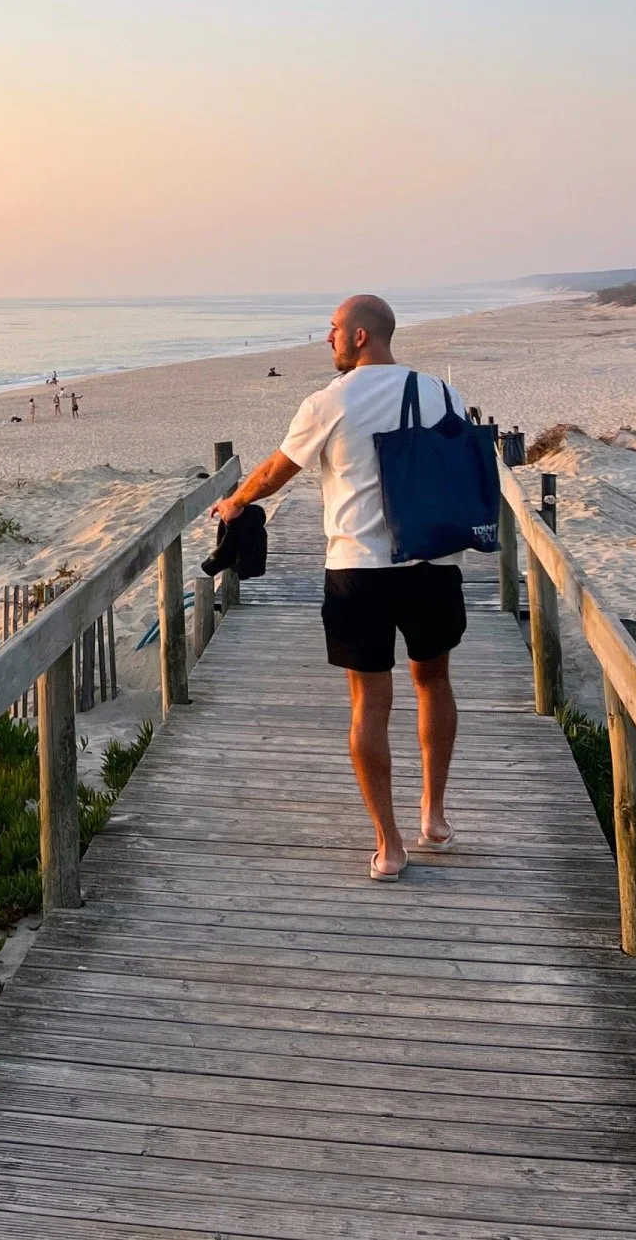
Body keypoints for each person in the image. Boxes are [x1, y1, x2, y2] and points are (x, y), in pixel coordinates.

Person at [212, 294, 464, 881]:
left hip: (359, 569)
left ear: (358, 337)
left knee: (368, 703)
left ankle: (391, 844)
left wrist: (236, 501)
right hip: (432, 562)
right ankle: (435, 814)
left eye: (332, 330)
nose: (326, 338)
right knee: (434, 682)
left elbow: (276, 472)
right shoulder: (440, 392)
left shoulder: (329, 402)